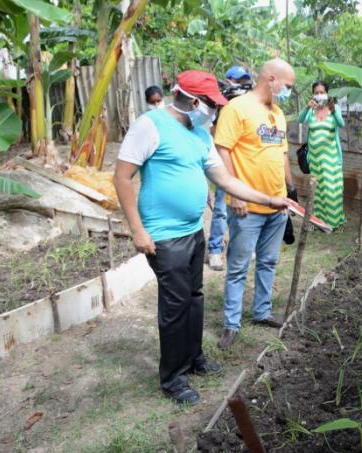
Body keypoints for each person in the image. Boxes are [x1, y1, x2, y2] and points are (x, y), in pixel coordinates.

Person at [113, 70, 290, 405]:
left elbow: (223, 178)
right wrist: (137, 229)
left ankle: (194, 359)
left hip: (194, 231)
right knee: (175, 306)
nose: (214, 110)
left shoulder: (199, 133)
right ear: (193, 100)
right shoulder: (149, 125)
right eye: (211, 104)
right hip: (164, 236)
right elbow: (122, 178)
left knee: (194, 298)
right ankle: (173, 378)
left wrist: (268, 199)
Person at [214, 58, 296, 349]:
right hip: (247, 206)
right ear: (271, 79)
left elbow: (282, 153)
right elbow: (222, 150)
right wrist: (235, 194)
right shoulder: (237, 109)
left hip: (277, 204)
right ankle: (231, 324)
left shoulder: (278, 113)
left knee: (269, 261)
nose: (288, 91)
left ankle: (262, 311)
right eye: (287, 86)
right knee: (237, 266)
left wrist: (291, 187)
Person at [207, 66, 254, 271]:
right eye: (237, 80)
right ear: (228, 81)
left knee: (245, 209)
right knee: (221, 210)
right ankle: (215, 250)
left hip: (245, 167)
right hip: (224, 167)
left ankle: (241, 246)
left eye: (244, 80)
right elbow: (214, 135)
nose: (241, 84)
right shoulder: (219, 108)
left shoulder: (249, 108)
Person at [298, 80, 346, 229]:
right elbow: (300, 120)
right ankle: (318, 221)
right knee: (316, 191)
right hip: (315, 158)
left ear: (327, 93)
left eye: (322, 92)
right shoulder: (311, 110)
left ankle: (332, 222)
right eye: (316, 92)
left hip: (331, 158)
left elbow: (341, 124)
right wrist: (307, 107)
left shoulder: (334, 108)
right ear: (313, 94)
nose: (319, 95)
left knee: (331, 190)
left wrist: (332, 110)